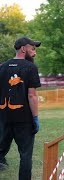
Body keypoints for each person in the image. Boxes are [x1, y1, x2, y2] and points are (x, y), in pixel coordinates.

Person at [0, 37, 41, 180]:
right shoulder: (31, 68)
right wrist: (35, 118)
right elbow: (32, 96)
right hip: (24, 119)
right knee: (25, 155)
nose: (34, 53)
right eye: (33, 49)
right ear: (24, 49)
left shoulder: (2, 67)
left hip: (4, 118)